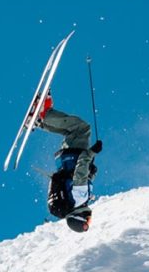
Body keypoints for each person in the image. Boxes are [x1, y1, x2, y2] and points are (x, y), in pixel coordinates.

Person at [33, 95, 101, 231]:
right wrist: (92, 172)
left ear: (78, 217)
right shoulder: (74, 202)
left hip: (75, 155)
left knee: (82, 128)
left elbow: (80, 170)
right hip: (66, 159)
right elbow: (79, 179)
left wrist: (92, 152)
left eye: (87, 220)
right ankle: (39, 122)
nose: (89, 217)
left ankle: (45, 114)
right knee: (71, 131)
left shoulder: (80, 199)